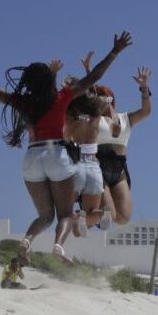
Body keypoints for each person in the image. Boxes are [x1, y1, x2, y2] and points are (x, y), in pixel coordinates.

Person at [0, 32, 131, 263]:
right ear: (49, 81)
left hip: (31, 159)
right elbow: (94, 77)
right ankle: (58, 247)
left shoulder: (23, 102)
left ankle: (27, 241)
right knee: (63, 214)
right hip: (56, 155)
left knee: (44, 215)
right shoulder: (62, 97)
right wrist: (114, 51)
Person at [95, 66, 153, 226]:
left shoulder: (126, 118)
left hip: (119, 169)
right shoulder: (93, 119)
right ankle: (86, 215)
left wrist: (144, 87)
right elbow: (75, 118)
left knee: (123, 218)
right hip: (97, 167)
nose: (97, 100)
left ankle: (89, 214)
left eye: (101, 96)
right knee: (109, 213)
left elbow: (146, 111)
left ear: (110, 99)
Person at [62, 88, 112, 237]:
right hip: (94, 167)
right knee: (93, 211)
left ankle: (78, 217)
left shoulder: (71, 118)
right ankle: (101, 214)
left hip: (76, 165)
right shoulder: (96, 116)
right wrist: (90, 93)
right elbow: (105, 99)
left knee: (64, 212)